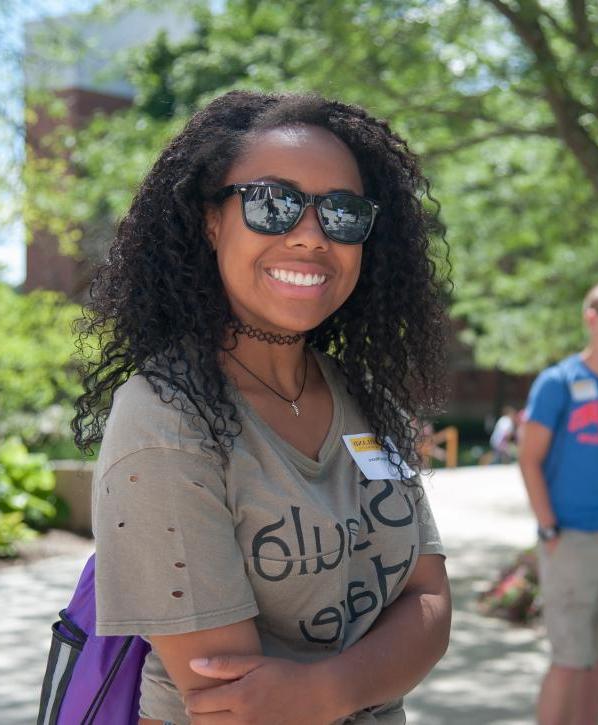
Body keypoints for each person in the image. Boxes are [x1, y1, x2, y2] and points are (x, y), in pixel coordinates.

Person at [72, 90, 452, 725]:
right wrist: (363, 680)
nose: (310, 236)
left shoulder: (366, 401)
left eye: (342, 213)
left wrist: (325, 691)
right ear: (211, 220)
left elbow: (430, 597)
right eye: (272, 205)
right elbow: (232, 705)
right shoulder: (165, 418)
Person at [518, 278, 598, 725]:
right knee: (570, 660)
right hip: (569, 539)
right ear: (593, 319)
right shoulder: (557, 383)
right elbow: (528, 459)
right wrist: (550, 529)